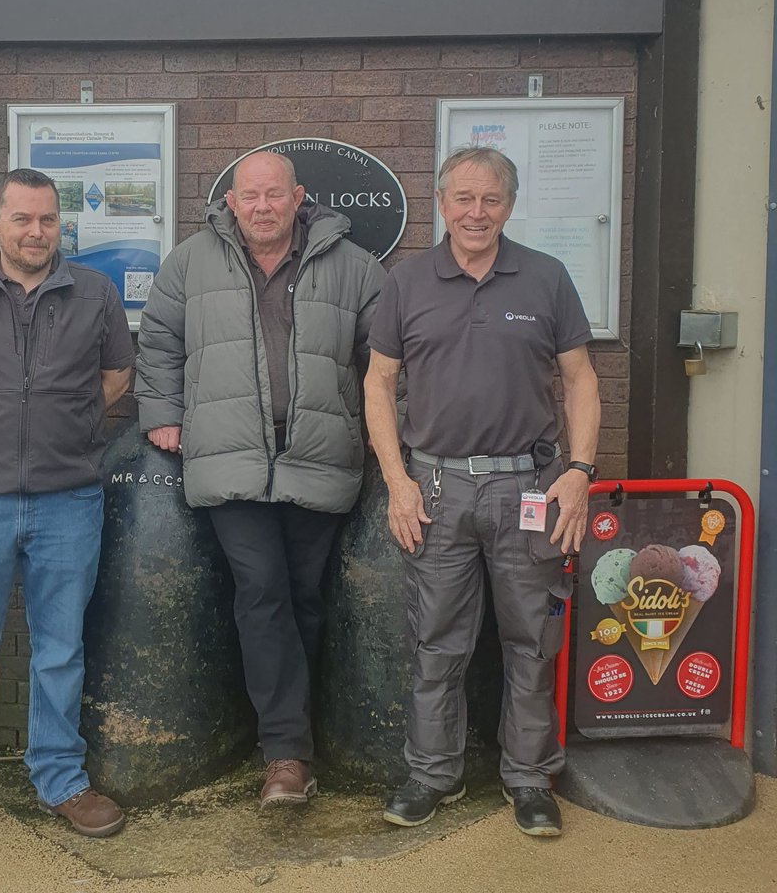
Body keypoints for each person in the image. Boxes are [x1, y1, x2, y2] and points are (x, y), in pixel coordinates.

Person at [135, 150, 386, 808]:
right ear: (232, 200)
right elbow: (158, 341)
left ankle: (286, 732)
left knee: (304, 598)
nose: (264, 207)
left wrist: (384, 435)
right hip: (229, 457)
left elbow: (387, 362)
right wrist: (161, 413)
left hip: (319, 454)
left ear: (298, 197)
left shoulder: (355, 268)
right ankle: (286, 754)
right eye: (252, 196)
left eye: (276, 194)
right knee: (261, 591)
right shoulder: (190, 263)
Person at [365, 146, 601, 838]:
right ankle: (431, 775)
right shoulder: (408, 281)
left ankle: (529, 781)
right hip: (435, 490)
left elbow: (582, 379)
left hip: (526, 488)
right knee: (437, 644)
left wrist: (580, 471)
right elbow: (378, 384)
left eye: (490, 199)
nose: (476, 212)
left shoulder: (546, 278)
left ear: (509, 205)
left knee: (531, 642)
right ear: (442, 203)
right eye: (463, 198)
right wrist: (397, 482)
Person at [0, 168, 134, 863]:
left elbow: (116, 375)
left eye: (47, 220)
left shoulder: (94, 292)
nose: (36, 232)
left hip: (69, 499)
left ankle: (60, 780)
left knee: (61, 649)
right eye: (23, 219)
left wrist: (61, 427)